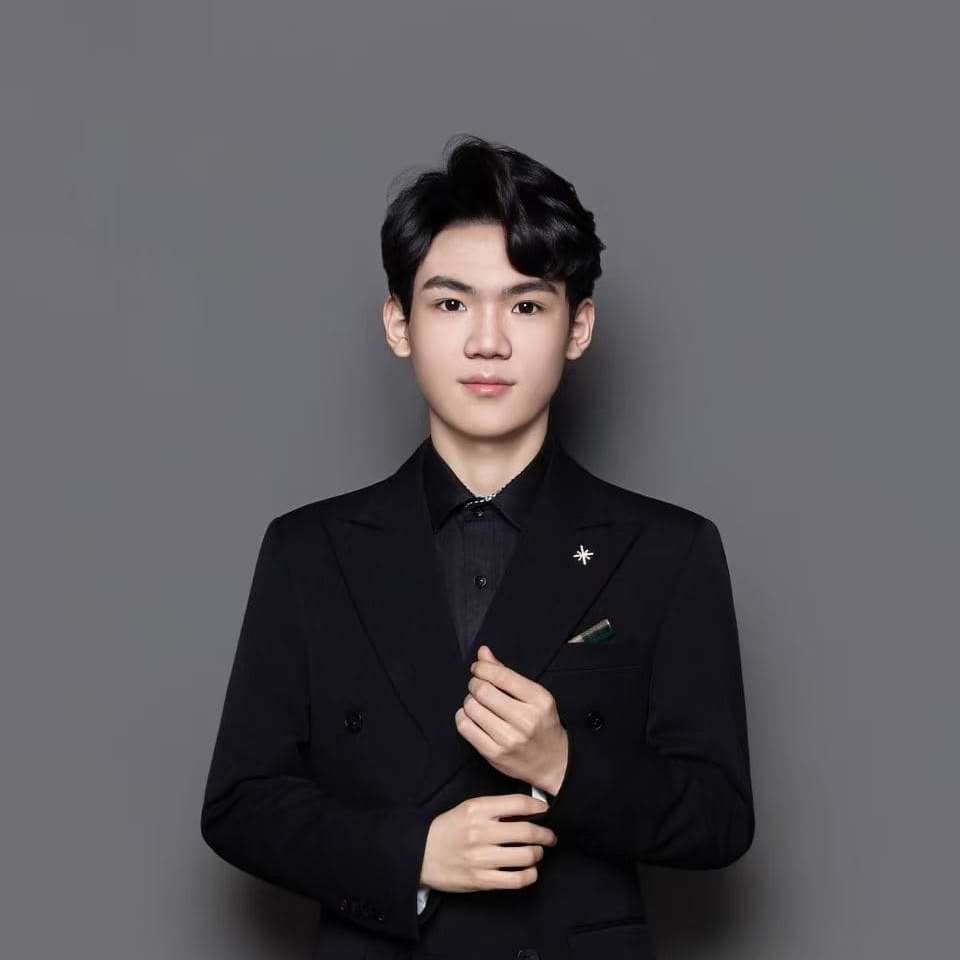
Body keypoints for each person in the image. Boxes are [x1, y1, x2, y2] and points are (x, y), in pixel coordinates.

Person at [201, 134, 755, 960]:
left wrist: (563, 765)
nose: (487, 342)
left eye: (526, 306)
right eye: (451, 304)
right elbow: (240, 803)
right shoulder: (308, 551)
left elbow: (720, 818)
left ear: (578, 328)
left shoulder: (667, 551)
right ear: (399, 323)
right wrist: (413, 856)